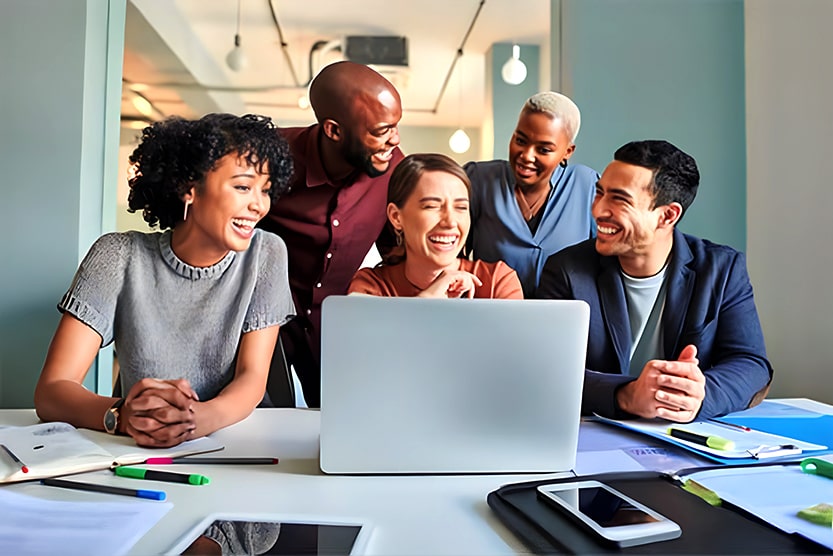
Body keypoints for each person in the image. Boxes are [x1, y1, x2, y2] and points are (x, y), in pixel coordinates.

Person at [34, 113, 296, 448]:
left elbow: (252, 379)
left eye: (266, 190)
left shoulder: (266, 254)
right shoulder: (117, 256)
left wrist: (196, 420)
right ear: (189, 188)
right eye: (243, 187)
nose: (259, 205)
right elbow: (52, 390)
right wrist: (123, 415)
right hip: (139, 449)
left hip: (238, 443)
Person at [535, 140, 772, 422]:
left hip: (686, 441)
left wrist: (697, 394)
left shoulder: (722, 269)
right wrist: (626, 395)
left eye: (619, 199)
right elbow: (544, 369)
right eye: (600, 194)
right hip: (597, 435)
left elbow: (751, 363)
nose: (598, 210)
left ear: (667, 215)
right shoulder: (566, 270)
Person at [258, 61, 405, 407]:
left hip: (338, 329)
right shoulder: (271, 157)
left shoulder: (393, 166)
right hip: (267, 326)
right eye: (381, 130)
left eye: (396, 126)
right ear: (333, 130)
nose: (394, 140)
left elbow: (397, 253)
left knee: (344, 426)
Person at [464, 91, 598, 297]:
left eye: (543, 150)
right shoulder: (479, 180)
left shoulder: (587, 186)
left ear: (567, 152)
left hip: (562, 321)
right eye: (520, 140)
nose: (526, 156)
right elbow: (452, 255)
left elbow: (605, 264)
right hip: (491, 319)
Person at [348, 153, 523, 299]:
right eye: (432, 206)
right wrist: (428, 297)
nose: (450, 222)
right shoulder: (371, 286)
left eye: (461, 207)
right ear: (396, 217)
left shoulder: (497, 281)